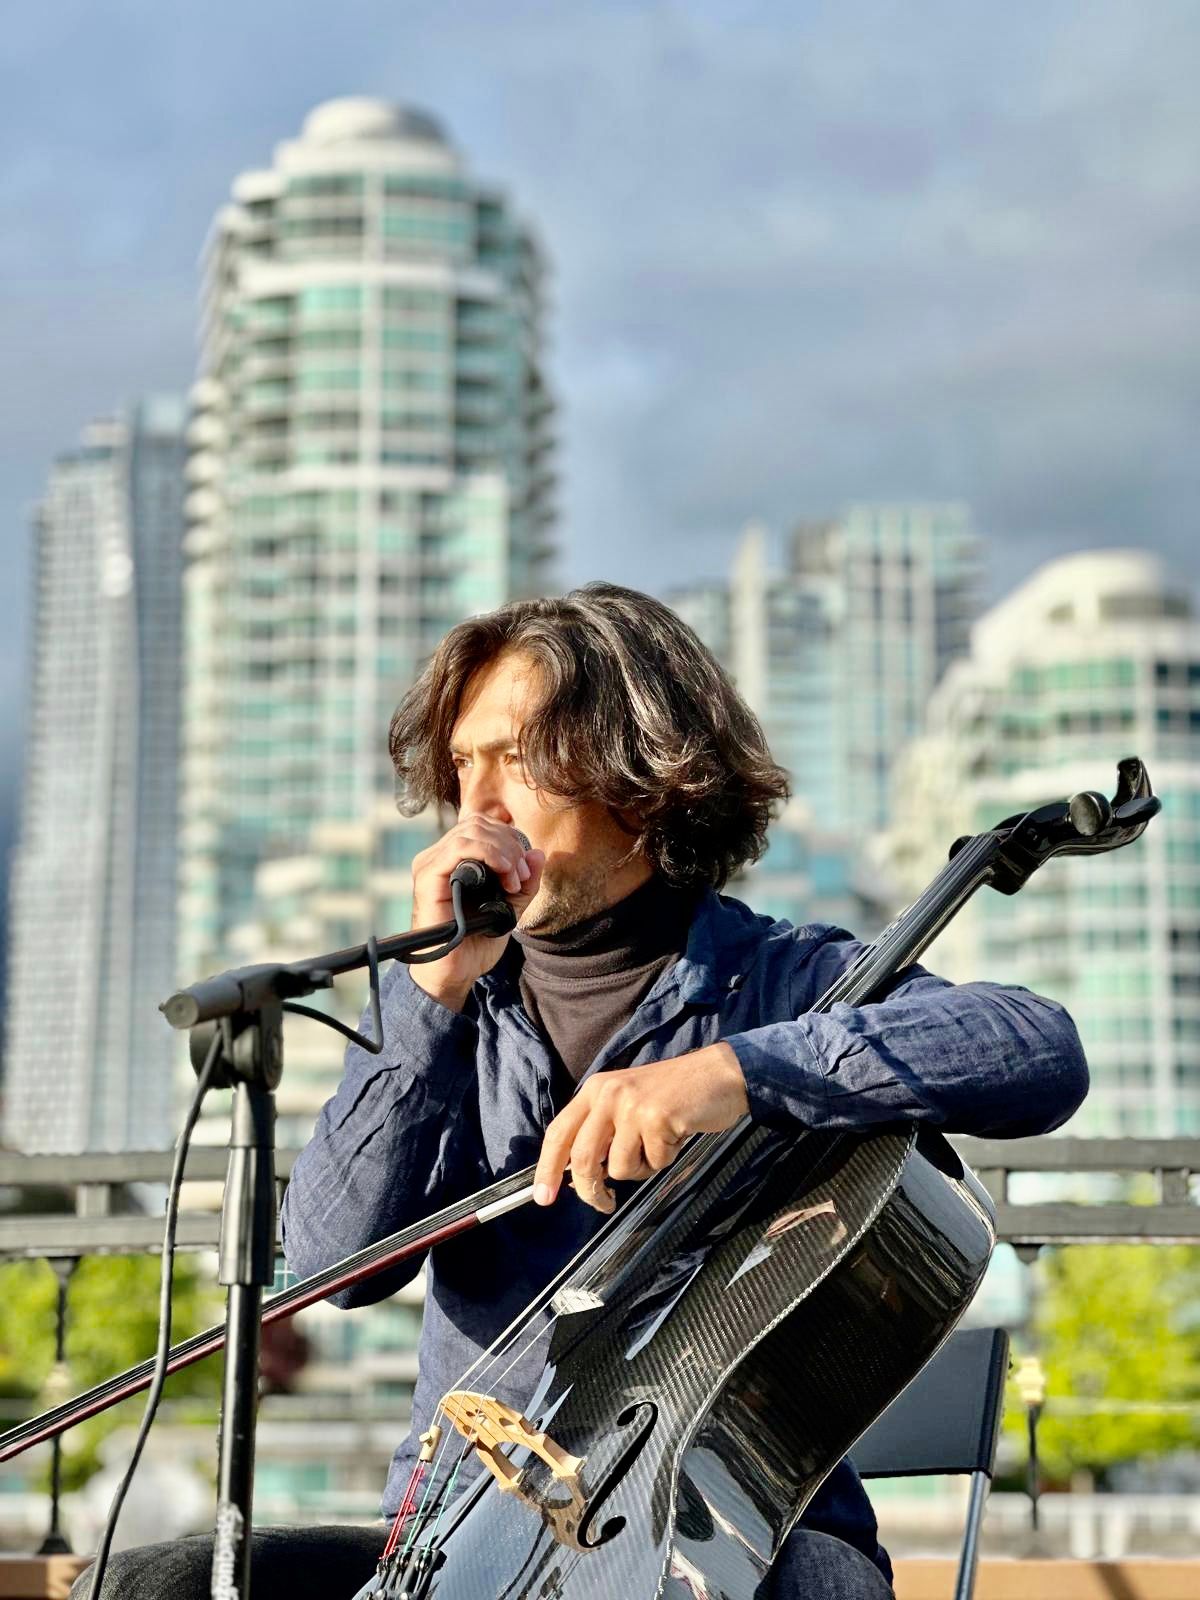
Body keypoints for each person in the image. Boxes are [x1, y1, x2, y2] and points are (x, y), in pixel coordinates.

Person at [79, 583, 1088, 1599]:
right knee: (144, 1587)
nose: (478, 805)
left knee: (824, 1586)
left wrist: (735, 1074)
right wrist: (431, 992)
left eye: (516, 760)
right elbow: (334, 1264)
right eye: (463, 765)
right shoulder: (449, 1008)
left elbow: (1034, 1048)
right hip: (455, 1545)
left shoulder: (786, 980)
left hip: (734, 1539)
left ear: (643, 777)